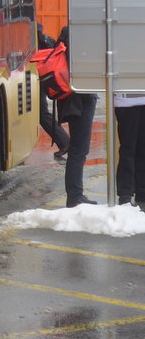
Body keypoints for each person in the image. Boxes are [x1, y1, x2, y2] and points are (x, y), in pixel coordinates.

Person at [54, 26, 98, 208]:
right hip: (80, 100)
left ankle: (75, 194)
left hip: (72, 100)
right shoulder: (80, 40)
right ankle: (75, 196)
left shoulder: (66, 37)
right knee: (79, 150)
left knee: (77, 149)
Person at [35, 24, 70, 161]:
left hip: (36, 79)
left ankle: (65, 141)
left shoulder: (34, 42)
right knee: (42, 114)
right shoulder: (45, 39)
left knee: (42, 114)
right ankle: (64, 141)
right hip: (44, 78)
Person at [114, 90, 145, 207]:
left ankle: (142, 191)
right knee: (128, 148)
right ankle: (125, 194)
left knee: (142, 148)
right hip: (125, 101)